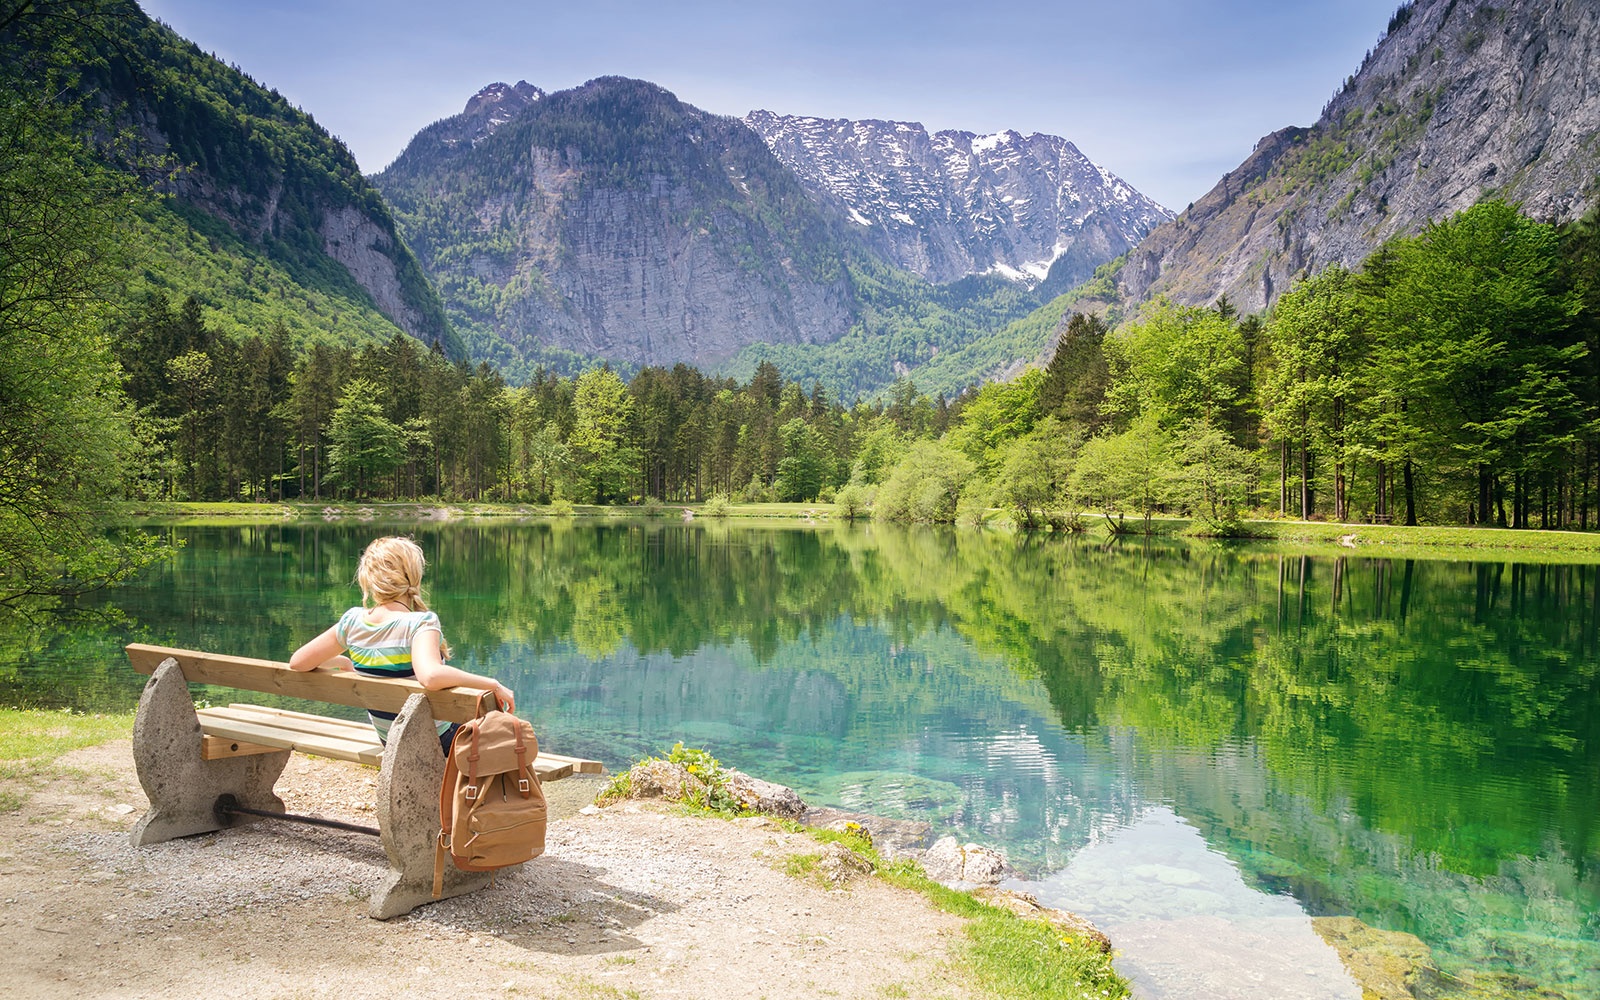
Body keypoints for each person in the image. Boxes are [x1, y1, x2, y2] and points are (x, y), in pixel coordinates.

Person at [289, 535, 514, 755]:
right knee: (509, 739)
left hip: (390, 739)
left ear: (368, 578)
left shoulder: (352, 621)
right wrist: (491, 685)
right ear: (413, 575)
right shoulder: (420, 623)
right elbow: (431, 676)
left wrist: (342, 661)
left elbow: (298, 662)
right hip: (437, 740)